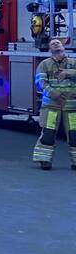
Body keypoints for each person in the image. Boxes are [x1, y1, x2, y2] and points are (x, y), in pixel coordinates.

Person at [32, 39, 76, 170]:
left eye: (58, 42)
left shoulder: (73, 63)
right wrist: (53, 93)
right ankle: (44, 160)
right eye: (53, 43)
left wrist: (68, 73)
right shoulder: (44, 64)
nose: (56, 44)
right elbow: (40, 83)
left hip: (72, 107)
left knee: (74, 135)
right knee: (48, 134)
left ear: (63, 47)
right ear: (50, 49)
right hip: (52, 106)